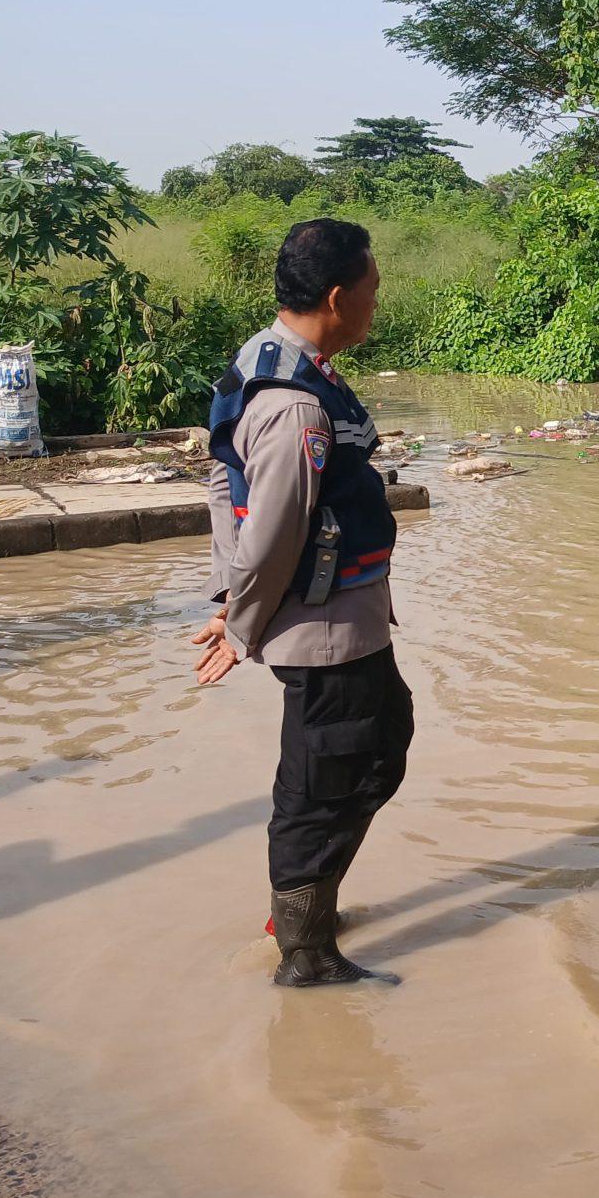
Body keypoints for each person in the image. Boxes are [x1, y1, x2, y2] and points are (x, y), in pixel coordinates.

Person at [190, 218, 412, 987]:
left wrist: (230, 594)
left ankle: (307, 909)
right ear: (338, 297)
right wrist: (239, 622)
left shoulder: (271, 358)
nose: (377, 304)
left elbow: (222, 479)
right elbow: (274, 530)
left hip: (348, 620)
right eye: (373, 291)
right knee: (322, 783)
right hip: (324, 630)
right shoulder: (295, 406)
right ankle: (306, 955)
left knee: (380, 746)